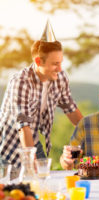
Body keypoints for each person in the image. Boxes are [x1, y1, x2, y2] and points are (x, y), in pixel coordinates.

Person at [0, 21, 83, 168]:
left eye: (61, 62)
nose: (60, 68)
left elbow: (71, 109)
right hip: (9, 146)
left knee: (42, 181)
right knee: (19, 187)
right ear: (39, 61)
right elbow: (23, 126)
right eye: (55, 64)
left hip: (32, 141)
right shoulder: (21, 81)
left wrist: (93, 132)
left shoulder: (60, 78)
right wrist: (31, 166)